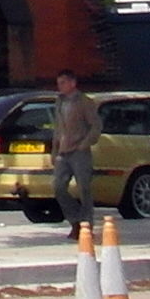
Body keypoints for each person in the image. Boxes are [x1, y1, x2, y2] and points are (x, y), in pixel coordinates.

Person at [48, 70, 101, 223]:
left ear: (73, 83)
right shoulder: (59, 101)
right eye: (58, 83)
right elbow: (57, 128)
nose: (60, 86)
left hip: (79, 151)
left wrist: (84, 144)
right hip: (62, 151)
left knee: (84, 187)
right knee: (58, 187)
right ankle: (75, 218)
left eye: (63, 83)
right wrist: (54, 150)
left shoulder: (84, 101)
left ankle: (86, 222)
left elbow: (96, 126)